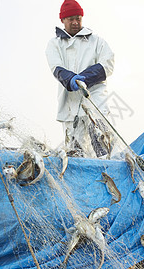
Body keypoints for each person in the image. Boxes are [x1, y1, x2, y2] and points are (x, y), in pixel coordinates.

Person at [45, 0, 115, 158]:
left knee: (102, 142)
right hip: (69, 105)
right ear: (62, 20)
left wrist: (85, 78)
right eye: (71, 19)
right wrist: (70, 80)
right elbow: (56, 67)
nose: (75, 22)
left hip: (95, 99)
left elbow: (108, 64)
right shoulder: (54, 44)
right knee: (75, 151)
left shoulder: (96, 41)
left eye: (78, 18)